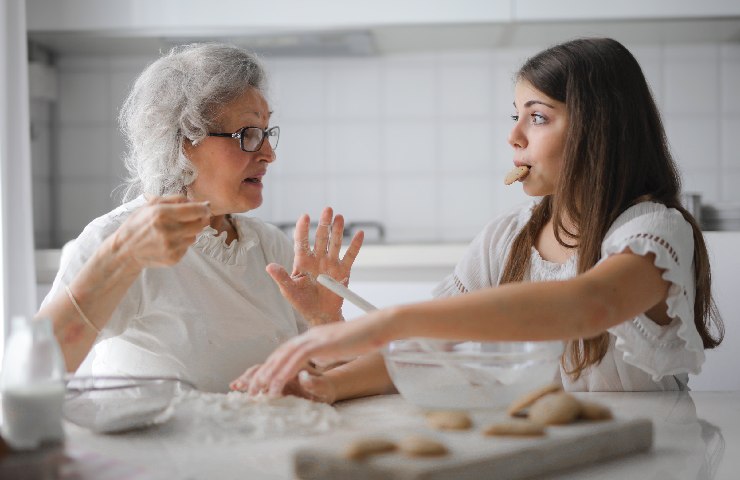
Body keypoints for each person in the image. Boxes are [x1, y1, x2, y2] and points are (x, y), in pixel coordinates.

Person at [232, 37, 724, 401]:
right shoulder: (506, 238)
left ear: (599, 130)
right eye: (515, 115)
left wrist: (391, 319)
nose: (514, 136)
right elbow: (428, 349)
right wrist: (327, 385)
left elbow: (590, 304)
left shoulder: (654, 232)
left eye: (537, 116)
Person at [37, 43, 363, 393]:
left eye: (267, 133)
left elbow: (325, 383)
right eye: (248, 135)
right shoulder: (116, 238)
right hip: (158, 448)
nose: (269, 154)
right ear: (182, 141)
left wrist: (325, 322)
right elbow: (37, 369)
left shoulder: (269, 246)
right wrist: (119, 258)